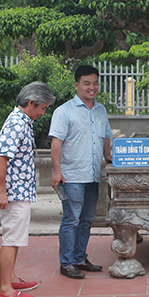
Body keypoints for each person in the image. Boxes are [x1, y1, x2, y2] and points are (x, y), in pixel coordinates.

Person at [0, 81, 55, 297]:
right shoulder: (17, 124)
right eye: (42, 108)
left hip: (19, 191)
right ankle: (5, 290)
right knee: (11, 239)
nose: (43, 113)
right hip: (13, 192)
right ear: (30, 103)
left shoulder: (22, 122)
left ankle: (10, 279)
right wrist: (2, 192)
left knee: (15, 238)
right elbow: (0, 158)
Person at [49, 65, 113, 279]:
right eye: (86, 83)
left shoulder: (101, 110)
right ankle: (66, 263)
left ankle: (79, 258)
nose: (91, 87)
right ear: (77, 85)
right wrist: (56, 172)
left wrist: (109, 159)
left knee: (87, 219)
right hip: (72, 175)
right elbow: (56, 142)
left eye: (95, 83)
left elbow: (106, 138)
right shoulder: (64, 111)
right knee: (72, 219)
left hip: (93, 175)